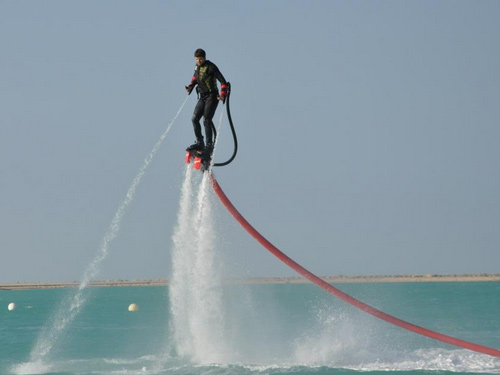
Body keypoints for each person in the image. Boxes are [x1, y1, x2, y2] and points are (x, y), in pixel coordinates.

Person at [185, 49, 228, 156]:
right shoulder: (196, 67)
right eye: (196, 59)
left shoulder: (211, 67)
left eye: (200, 59)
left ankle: (209, 147)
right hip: (202, 97)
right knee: (194, 119)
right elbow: (195, 77)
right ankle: (200, 143)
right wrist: (190, 86)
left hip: (212, 96)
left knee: (207, 120)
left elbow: (223, 81)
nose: (198, 61)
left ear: (204, 57)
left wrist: (222, 94)